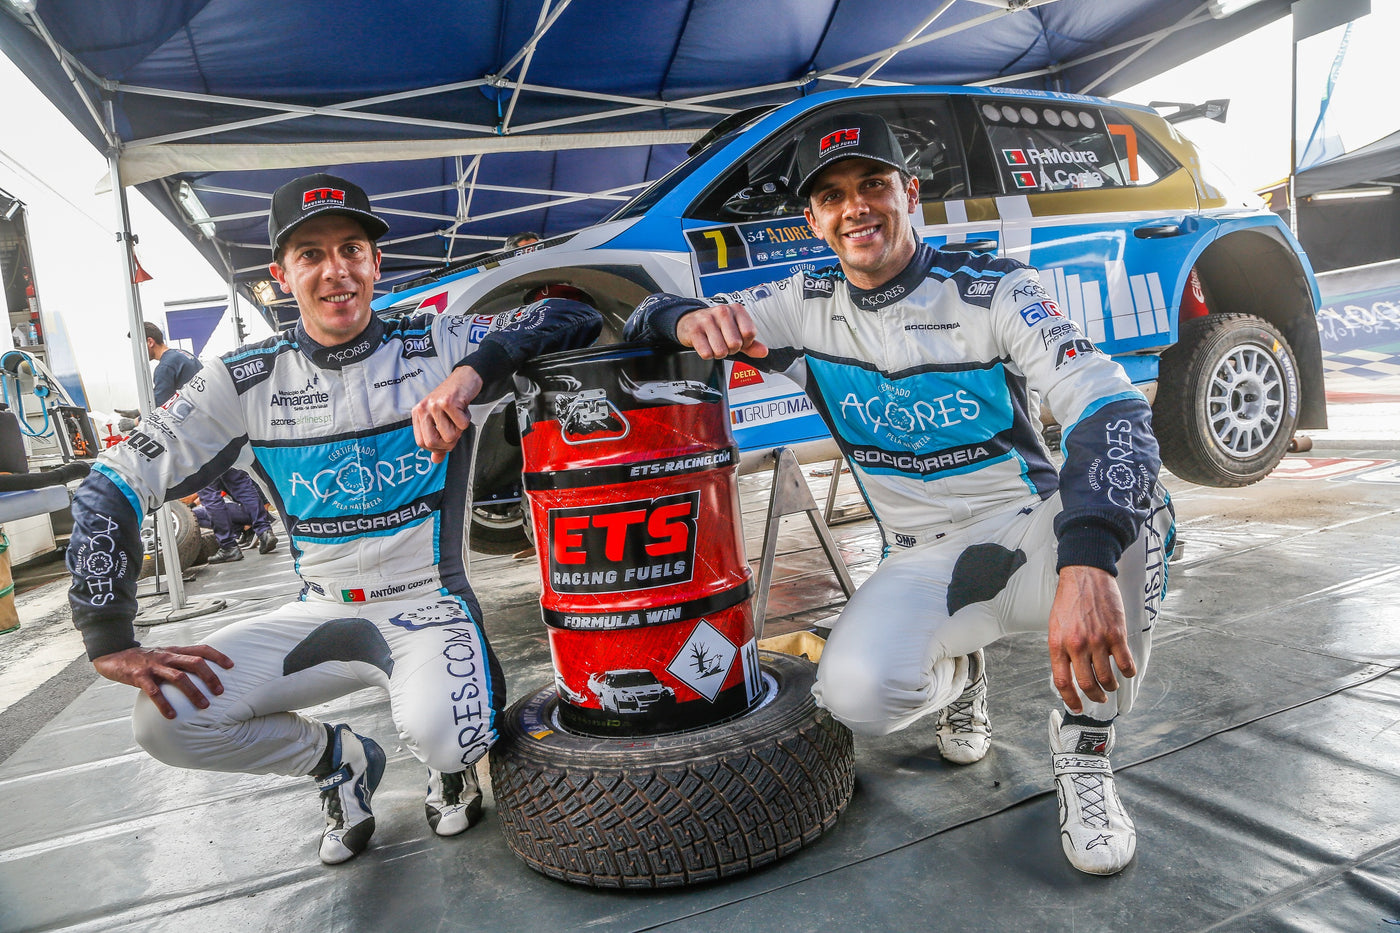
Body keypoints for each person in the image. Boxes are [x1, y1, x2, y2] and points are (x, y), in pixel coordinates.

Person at [623, 113, 1173, 876]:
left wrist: (1088, 560)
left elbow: (1113, 409)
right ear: (813, 219)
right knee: (854, 695)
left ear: (908, 193)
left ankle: (1085, 752)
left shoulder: (995, 288)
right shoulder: (800, 304)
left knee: (1139, 511)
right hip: (921, 562)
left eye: (874, 184)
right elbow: (646, 314)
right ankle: (960, 670)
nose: (858, 207)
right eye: (834, 195)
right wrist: (689, 317)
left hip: (1028, 534)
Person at [67, 173, 602, 865]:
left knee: (452, 733)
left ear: (377, 264)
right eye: (311, 253)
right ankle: (340, 762)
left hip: (428, 606)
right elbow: (108, 484)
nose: (335, 270)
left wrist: (470, 375)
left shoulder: (435, 341)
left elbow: (573, 313)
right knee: (166, 720)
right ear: (280, 276)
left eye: (352, 248)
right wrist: (107, 632)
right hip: (318, 610)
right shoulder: (241, 377)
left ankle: (449, 767)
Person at [143, 321, 277, 562]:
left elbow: (162, 408)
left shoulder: (164, 367)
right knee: (239, 482)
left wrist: (139, 423)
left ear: (150, 341)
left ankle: (228, 545)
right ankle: (264, 530)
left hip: (198, 436)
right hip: (221, 428)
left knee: (209, 492)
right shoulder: (184, 355)